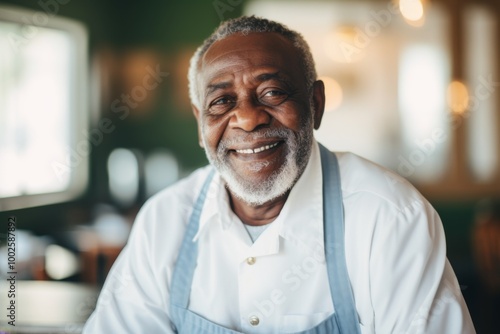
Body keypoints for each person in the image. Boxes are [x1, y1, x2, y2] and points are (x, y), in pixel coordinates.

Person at [83, 16, 475, 333]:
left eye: (272, 92)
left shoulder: (389, 217)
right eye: (222, 101)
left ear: (315, 105)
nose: (249, 119)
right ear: (200, 124)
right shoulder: (164, 220)